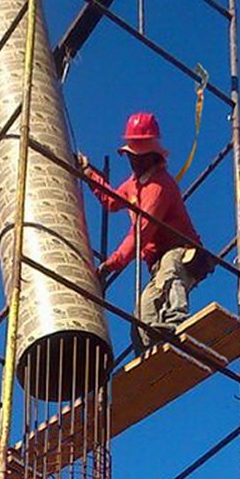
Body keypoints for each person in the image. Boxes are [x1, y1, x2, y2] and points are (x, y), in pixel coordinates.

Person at [77, 112, 208, 355]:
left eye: (138, 156)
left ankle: (176, 323)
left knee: (170, 273)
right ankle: (151, 350)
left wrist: (112, 263)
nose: (133, 162)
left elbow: (142, 233)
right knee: (143, 310)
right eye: (131, 156)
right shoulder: (134, 184)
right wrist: (89, 174)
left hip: (182, 252)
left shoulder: (160, 186)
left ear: (152, 155)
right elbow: (111, 200)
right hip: (156, 263)